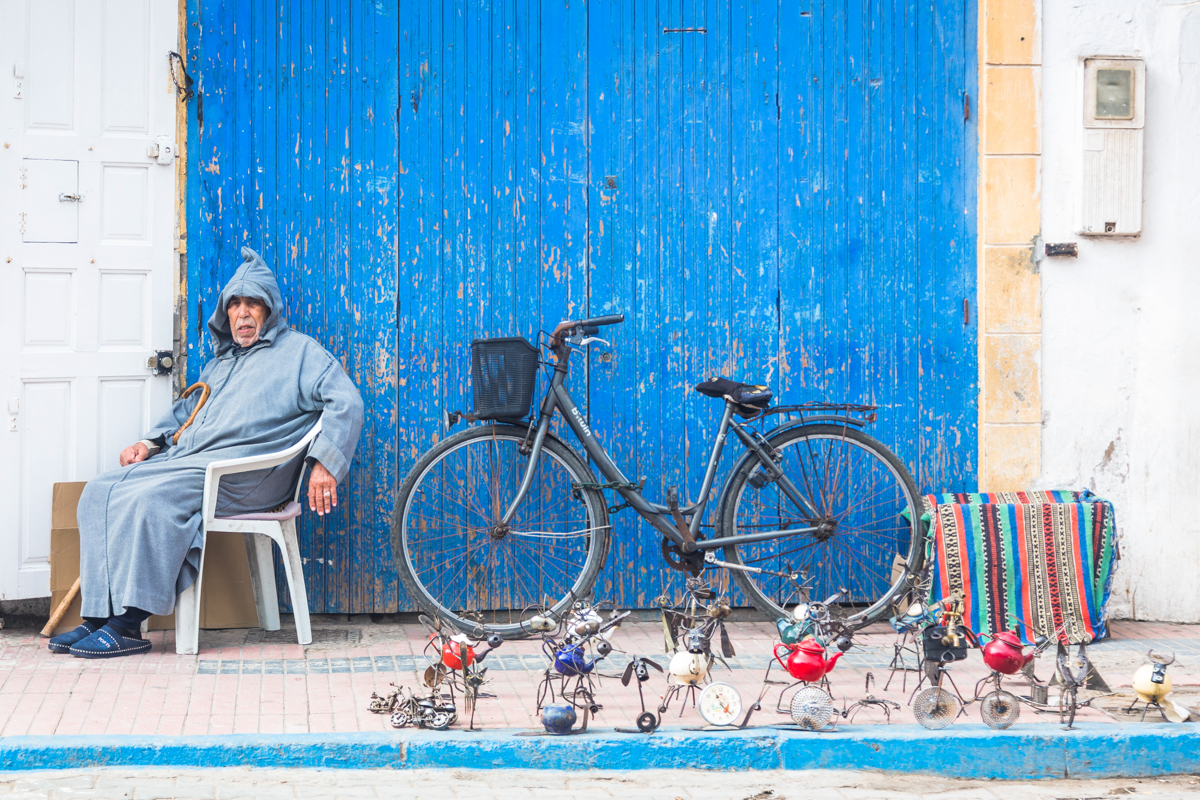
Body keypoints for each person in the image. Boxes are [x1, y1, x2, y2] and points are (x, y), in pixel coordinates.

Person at [51, 247, 364, 658]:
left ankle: (127, 624)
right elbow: (186, 412)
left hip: (245, 476)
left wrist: (324, 463)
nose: (242, 313)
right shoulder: (223, 361)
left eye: (253, 303)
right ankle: (98, 617)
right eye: (234, 304)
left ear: (270, 309)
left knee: (153, 499)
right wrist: (148, 443)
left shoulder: (301, 353)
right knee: (99, 491)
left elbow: (347, 401)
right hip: (189, 464)